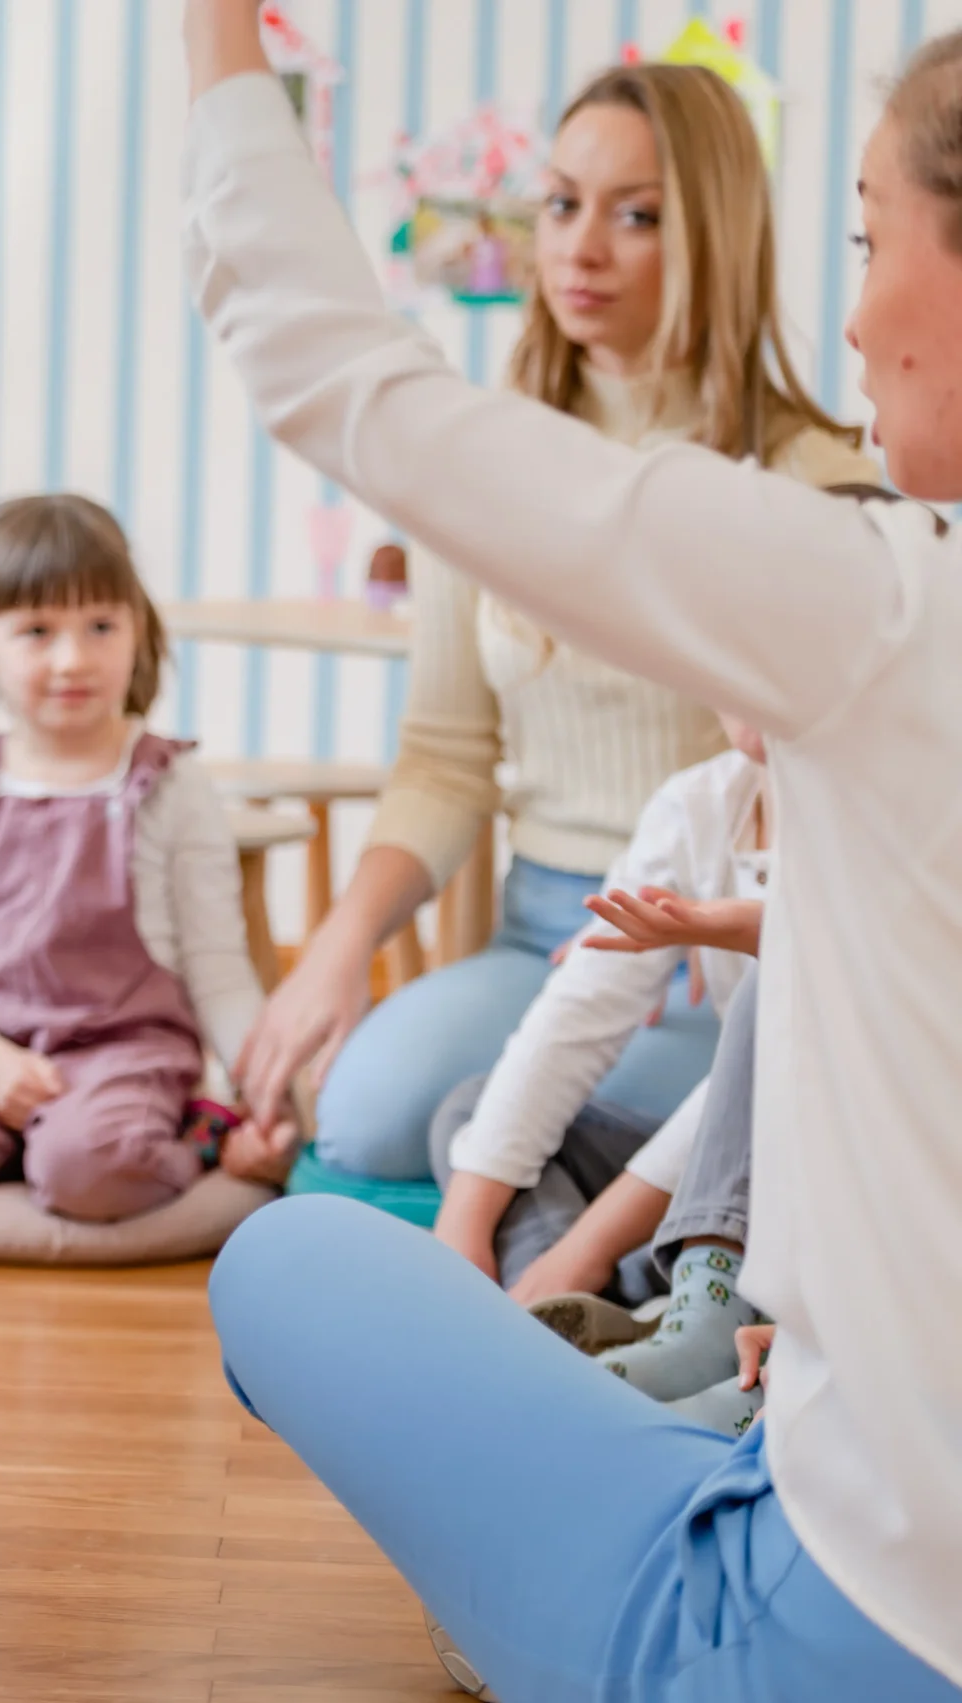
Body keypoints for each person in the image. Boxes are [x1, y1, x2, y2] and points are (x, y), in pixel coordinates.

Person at [186, 4, 962, 1695]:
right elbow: (444, 762)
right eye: (557, 203)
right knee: (417, 1112)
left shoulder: (878, 586)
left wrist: (211, 37)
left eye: (872, 240)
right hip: (581, 949)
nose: (853, 306)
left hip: (829, 1631)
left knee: (289, 1255)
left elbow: (327, 369)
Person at [231, 57, 877, 1205]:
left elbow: (848, 790)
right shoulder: (480, 461)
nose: (577, 248)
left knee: (568, 1132)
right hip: (544, 923)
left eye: (635, 215)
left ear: (715, 236)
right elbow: (442, 758)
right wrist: (331, 953)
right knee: (367, 1113)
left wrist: (731, 934)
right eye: (561, 202)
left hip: (707, 949)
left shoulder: (809, 479)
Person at [0, 495, 296, 1221]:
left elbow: (219, 969)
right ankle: (41, 1139)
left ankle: (188, 1133)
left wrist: (263, 1093)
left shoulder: (171, 784)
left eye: (101, 626)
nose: (73, 659)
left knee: (90, 1173)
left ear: (137, 628)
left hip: (128, 1053)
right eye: (38, 631)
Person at [425, 713, 770, 1289]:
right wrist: (461, 1230)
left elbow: (753, 1095)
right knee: (473, 1120)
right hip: (721, 1173)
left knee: (680, 1228)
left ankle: (592, 1304)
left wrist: (583, 1253)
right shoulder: (697, 803)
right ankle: (579, 1315)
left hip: (809, 1178)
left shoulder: (884, 824)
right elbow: (580, 1012)